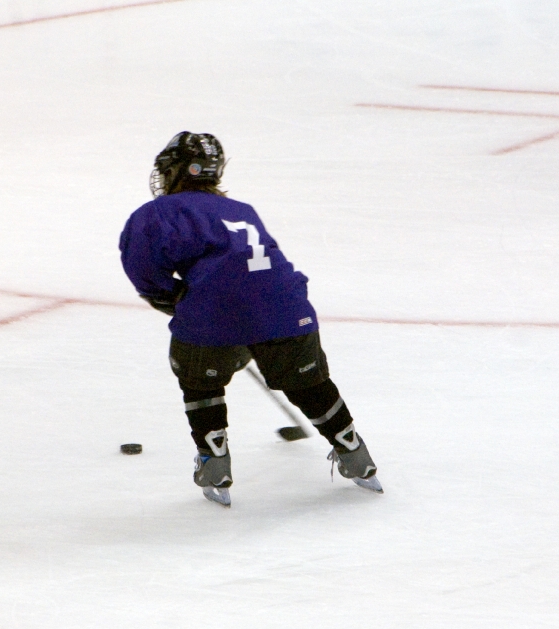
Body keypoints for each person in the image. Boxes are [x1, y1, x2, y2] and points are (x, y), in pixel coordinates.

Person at [119, 131, 381, 506]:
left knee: (199, 379)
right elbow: (256, 270)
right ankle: (354, 452)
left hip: (214, 315)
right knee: (308, 383)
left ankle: (214, 462)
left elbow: (144, 271)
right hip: (287, 308)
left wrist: (181, 300)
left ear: (175, 171)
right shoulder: (241, 210)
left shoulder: (158, 213)